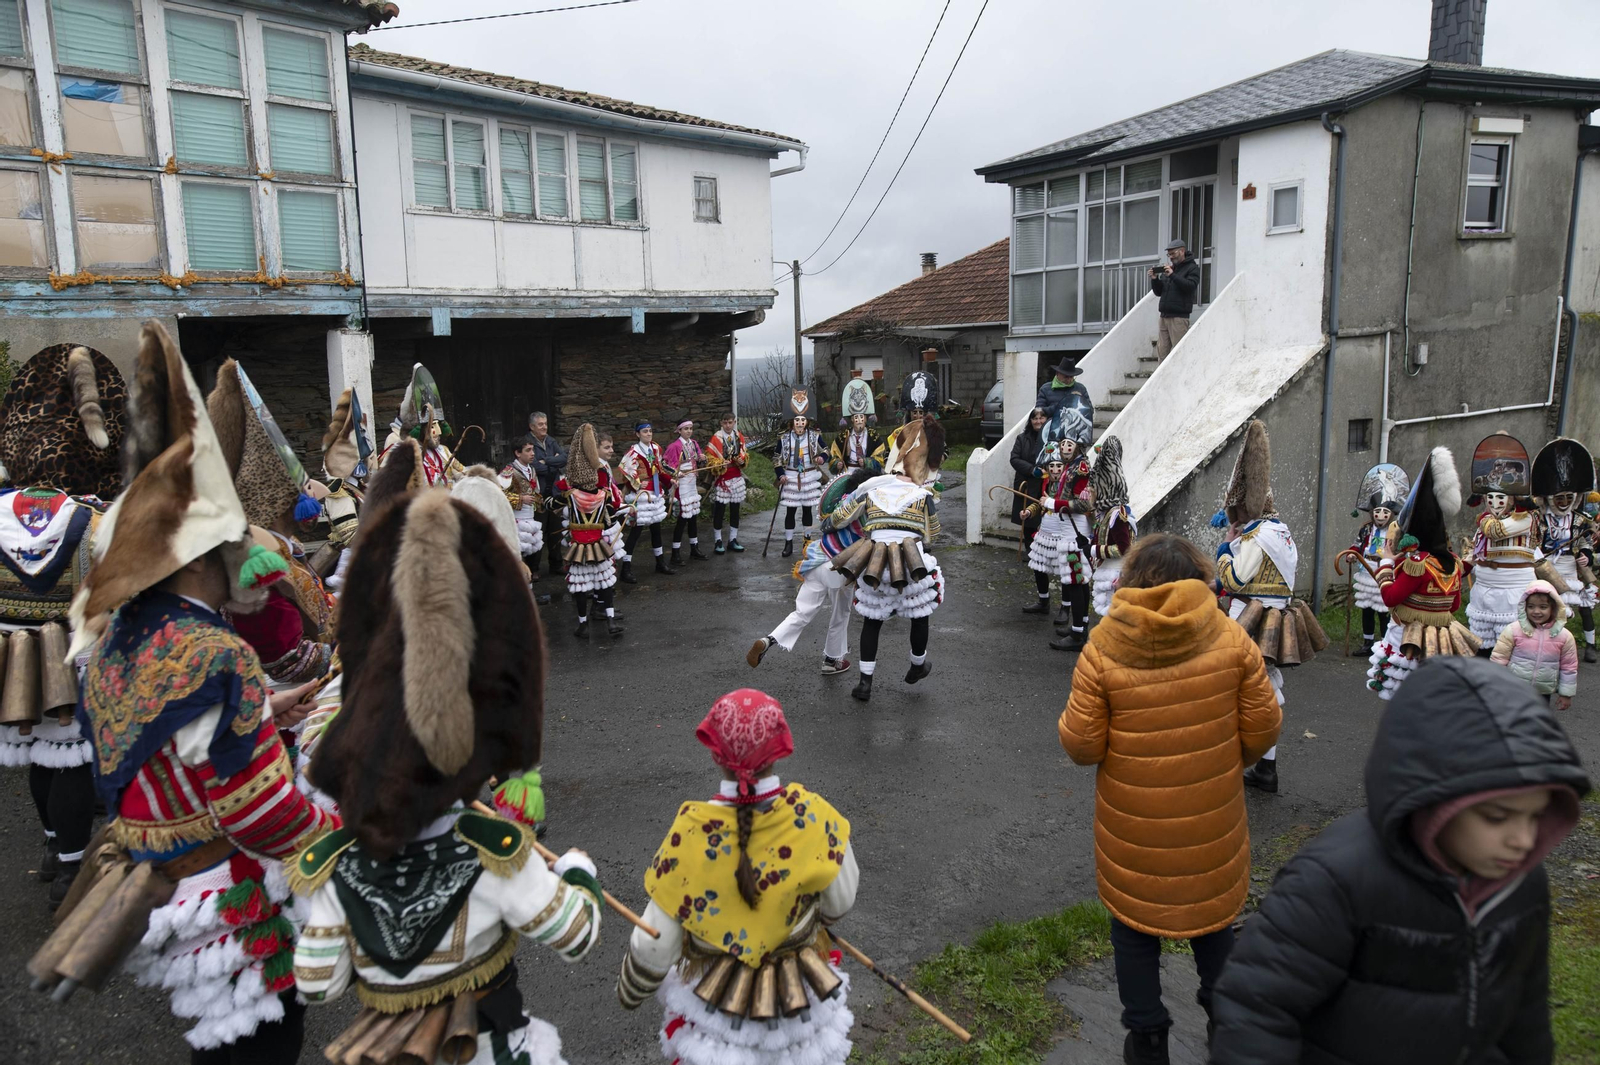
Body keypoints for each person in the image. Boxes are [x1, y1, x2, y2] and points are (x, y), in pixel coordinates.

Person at [66, 321, 339, 1059]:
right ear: (198, 558)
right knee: (265, 1040)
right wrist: (338, 844)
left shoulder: (116, 638)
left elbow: (164, 741)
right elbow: (256, 808)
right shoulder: (218, 654)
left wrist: (259, 712)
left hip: (161, 879)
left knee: (217, 1043)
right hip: (227, 888)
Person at [291, 469, 601, 1065]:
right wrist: (580, 872)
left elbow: (316, 981)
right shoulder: (494, 858)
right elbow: (574, 932)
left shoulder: (336, 869)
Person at [1209, 657, 1589, 1065]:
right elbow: (1257, 1010)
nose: (1523, 839)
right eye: (1497, 817)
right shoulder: (1337, 878)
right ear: (1435, 797)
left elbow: (1525, 1012)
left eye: (1536, 816)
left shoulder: (1521, 884)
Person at [1060, 533, 1281, 1065]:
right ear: (1197, 578)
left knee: (1134, 930)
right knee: (1213, 922)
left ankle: (1148, 1037)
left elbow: (1082, 745)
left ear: (1132, 582)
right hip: (1212, 824)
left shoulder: (1102, 646)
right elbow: (1264, 727)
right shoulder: (1231, 640)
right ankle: (1225, 1024)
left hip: (1132, 831)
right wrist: (1225, 760)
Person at [616, 689, 858, 1065]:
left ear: (716, 754)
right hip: (797, 1013)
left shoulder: (691, 833)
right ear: (779, 748)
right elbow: (839, 901)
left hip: (719, 1020)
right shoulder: (814, 816)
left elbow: (653, 945)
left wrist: (631, 991)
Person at [0, 343, 124, 909]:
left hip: (7, 653)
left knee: (35, 752)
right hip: (71, 654)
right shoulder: (93, 519)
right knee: (69, 754)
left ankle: (54, 849)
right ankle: (73, 872)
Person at [207, 359, 337, 691]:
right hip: (284, 700)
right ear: (281, 501)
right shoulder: (257, 567)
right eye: (299, 491)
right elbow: (289, 662)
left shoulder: (282, 548)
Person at [1214, 420, 1328, 794]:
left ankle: (1238, 763)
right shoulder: (1282, 531)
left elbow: (1235, 579)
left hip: (1250, 618)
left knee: (1239, 692)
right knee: (1266, 692)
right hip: (1277, 617)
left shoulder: (1255, 536)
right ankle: (1266, 767)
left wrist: (1226, 551)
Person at [828, 411, 946, 702]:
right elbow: (933, 534)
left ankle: (865, 682)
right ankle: (917, 666)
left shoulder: (870, 488)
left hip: (875, 565)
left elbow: (838, 518)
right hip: (911, 566)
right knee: (920, 615)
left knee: (872, 620)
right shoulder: (923, 495)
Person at [1367, 446, 1483, 699]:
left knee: (1404, 701)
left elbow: (1390, 598)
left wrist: (1387, 563)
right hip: (1441, 638)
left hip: (1409, 638)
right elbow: (1453, 604)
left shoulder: (1418, 563)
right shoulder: (1452, 561)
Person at [746, 468, 870, 677]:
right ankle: (832, 660)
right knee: (841, 613)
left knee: (802, 613)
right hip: (841, 566)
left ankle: (769, 640)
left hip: (817, 560)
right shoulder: (867, 506)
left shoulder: (841, 501)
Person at [1021, 440, 1095, 651]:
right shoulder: (1072, 466)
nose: (1065, 449)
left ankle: (1079, 633)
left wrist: (1052, 504)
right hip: (1068, 527)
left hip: (1075, 529)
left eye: (1069, 445)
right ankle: (1079, 628)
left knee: (1076, 580)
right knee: (1077, 580)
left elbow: (1083, 504)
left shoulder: (1081, 468)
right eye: (1063, 445)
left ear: (1078, 447)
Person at [1532, 438, 1598, 663]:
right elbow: (1534, 541)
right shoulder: (1539, 518)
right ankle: (1549, 644)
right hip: (1545, 566)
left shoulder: (1579, 519)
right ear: (1549, 498)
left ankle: (1590, 645)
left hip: (1571, 565)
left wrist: (1585, 555)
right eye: (1559, 498)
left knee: (1583, 605)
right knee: (1547, 605)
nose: (1564, 502)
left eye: (1568, 498)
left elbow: (1585, 542)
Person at [559, 424, 627, 639]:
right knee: (604, 581)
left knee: (581, 586)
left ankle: (583, 624)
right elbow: (608, 520)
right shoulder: (603, 496)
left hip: (578, 546)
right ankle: (610, 620)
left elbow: (551, 504)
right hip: (598, 544)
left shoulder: (569, 496)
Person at [1466, 443, 1537, 646]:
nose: (1494, 503)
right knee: (1482, 643)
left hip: (1512, 590)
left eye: (1500, 498)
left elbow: (1495, 531)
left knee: (1510, 643)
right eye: (1490, 497)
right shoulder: (1485, 519)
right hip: (1484, 588)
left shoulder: (1525, 518)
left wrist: (1482, 518)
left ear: (1513, 499)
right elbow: (1476, 548)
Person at [1350, 464, 1409, 657]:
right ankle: (1367, 642)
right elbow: (1357, 545)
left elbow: (1402, 552)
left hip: (1385, 573)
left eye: (1384, 513)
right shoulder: (1366, 529)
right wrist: (1352, 554)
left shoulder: (1397, 531)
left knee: (1384, 610)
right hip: (1367, 572)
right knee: (1366, 609)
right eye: (1377, 513)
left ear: (1390, 514)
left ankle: (1385, 643)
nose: (1380, 516)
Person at [1490, 580, 1578, 709]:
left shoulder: (1564, 636)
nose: (1536, 611)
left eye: (1543, 607)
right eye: (1531, 606)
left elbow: (1569, 667)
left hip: (1542, 691)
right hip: (1514, 689)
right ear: (1524, 607)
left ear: (1554, 608)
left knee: (1537, 724)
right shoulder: (1513, 630)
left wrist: (1566, 694)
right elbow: (1499, 658)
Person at [378, 363, 464, 487]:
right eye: (432, 426)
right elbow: (388, 488)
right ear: (420, 429)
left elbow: (462, 475)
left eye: (438, 425)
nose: (439, 432)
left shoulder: (443, 451)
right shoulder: (401, 453)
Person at [774, 390, 827, 558]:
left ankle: (807, 542)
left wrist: (821, 458)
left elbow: (826, 450)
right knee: (790, 511)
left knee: (807, 511)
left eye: (802, 420)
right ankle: (788, 543)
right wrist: (780, 474)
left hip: (809, 476)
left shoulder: (814, 436)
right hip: (789, 477)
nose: (799, 423)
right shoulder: (783, 438)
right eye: (797, 420)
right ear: (792, 422)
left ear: (806, 422)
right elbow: (776, 458)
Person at [620, 420, 675, 577]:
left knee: (656, 529)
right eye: (645, 431)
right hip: (642, 496)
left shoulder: (655, 448)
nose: (649, 434)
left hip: (655, 493)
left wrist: (669, 480)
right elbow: (627, 473)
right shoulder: (633, 453)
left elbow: (658, 469)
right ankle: (626, 567)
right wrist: (637, 484)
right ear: (638, 434)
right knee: (636, 532)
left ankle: (660, 562)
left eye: (650, 431)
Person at [1090, 435, 1136, 618]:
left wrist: (1094, 549)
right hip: (1106, 569)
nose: (1090, 493)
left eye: (1093, 489)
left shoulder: (1116, 516)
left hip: (1114, 572)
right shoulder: (1105, 514)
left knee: (1112, 615)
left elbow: (1124, 549)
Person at [501, 435, 549, 603]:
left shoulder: (531, 469)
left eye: (533, 450)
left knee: (529, 558)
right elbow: (500, 494)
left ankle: (528, 595)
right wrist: (521, 499)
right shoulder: (509, 471)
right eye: (528, 450)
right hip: (517, 520)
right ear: (517, 453)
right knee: (518, 559)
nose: (532, 453)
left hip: (530, 517)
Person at [528, 410, 568, 582]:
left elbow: (564, 459)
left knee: (556, 529)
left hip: (554, 492)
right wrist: (553, 461)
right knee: (538, 531)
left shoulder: (551, 441)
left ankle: (556, 564)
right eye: (540, 424)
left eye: (545, 423)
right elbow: (535, 466)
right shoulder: (528, 443)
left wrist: (547, 461)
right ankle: (533, 568)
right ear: (532, 427)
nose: (544, 427)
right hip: (539, 493)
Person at [664, 418, 708, 565]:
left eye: (690, 428)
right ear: (679, 430)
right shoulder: (674, 446)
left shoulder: (694, 444)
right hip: (681, 484)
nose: (689, 431)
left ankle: (694, 548)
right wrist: (676, 473)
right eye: (686, 429)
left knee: (693, 515)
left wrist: (702, 458)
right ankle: (675, 553)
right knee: (683, 518)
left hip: (692, 482)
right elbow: (665, 465)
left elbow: (699, 462)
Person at [1148, 238, 1201, 359]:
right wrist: (1155, 279)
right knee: (1162, 352)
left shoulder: (1192, 268)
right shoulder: (1171, 269)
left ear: (1182, 251)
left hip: (1179, 318)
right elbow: (1159, 292)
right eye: (1169, 254)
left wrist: (1172, 275)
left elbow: (1190, 287)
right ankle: (1162, 378)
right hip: (1164, 316)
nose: (1170, 257)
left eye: (1173, 253)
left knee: (1179, 354)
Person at [705, 413, 749, 553]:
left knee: (735, 510)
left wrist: (742, 460)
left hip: (736, 477)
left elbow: (744, 453)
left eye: (730, 422)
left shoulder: (738, 436)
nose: (728, 425)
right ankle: (718, 541)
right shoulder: (716, 438)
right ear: (721, 423)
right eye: (725, 423)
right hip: (722, 479)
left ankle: (733, 539)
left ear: (734, 422)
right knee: (719, 510)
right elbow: (709, 458)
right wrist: (719, 464)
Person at [1008, 407, 1049, 547]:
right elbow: (1014, 459)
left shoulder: (1053, 438)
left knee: (1045, 518)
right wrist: (1032, 470)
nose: (1038, 421)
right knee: (1028, 519)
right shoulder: (1022, 438)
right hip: (1027, 485)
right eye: (1035, 418)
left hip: (1046, 485)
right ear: (1031, 420)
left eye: (1041, 418)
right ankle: (1030, 550)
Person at [831, 375, 882, 476]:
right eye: (856, 418)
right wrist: (837, 464)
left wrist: (867, 462)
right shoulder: (843, 437)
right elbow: (834, 456)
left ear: (866, 419)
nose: (859, 421)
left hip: (867, 474)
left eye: (862, 417)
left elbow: (881, 459)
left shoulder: (874, 436)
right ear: (852, 420)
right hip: (848, 474)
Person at [1035, 355, 1094, 423]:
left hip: (1074, 428)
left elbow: (1090, 411)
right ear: (1057, 374)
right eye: (1066, 377)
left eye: (1071, 377)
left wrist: (1080, 401)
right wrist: (1062, 405)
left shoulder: (1081, 388)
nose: (1069, 380)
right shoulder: (1045, 389)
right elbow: (1038, 412)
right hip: (1052, 427)